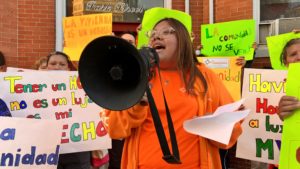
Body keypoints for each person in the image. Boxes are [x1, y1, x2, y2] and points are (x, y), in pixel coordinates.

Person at [102, 18, 242, 169]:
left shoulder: (204, 76)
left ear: (183, 39)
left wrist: (214, 126)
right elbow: (114, 129)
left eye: (167, 32)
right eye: (153, 33)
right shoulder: (136, 76)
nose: (156, 36)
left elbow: (232, 129)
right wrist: (135, 107)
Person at [46, 51, 90, 169]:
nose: (57, 67)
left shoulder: (83, 86)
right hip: (47, 150)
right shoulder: (33, 88)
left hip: (77, 149)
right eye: (53, 63)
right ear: (46, 67)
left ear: (68, 68)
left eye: (62, 64)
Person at [277, 38, 300, 121]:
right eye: (293, 54)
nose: (299, 57)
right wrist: (286, 119)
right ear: (286, 62)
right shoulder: (275, 86)